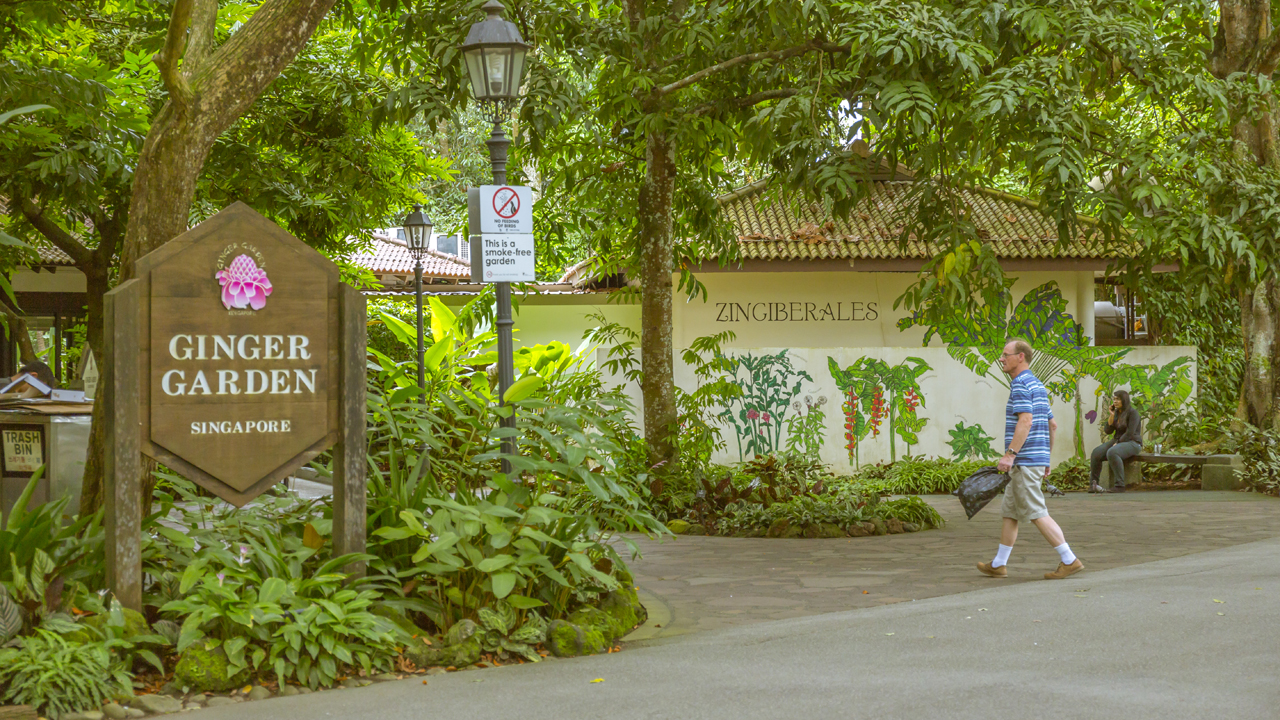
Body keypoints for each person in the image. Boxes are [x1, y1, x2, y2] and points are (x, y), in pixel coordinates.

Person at [977, 339, 1084, 580]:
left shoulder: (1020, 385)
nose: (1001, 359)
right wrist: (1046, 458)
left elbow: (1026, 421)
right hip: (1033, 459)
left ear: (1020, 357)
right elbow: (1052, 425)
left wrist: (1010, 454)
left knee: (1036, 512)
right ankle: (999, 564)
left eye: (1006, 355)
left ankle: (1069, 559)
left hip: (1024, 460)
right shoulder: (1037, 385)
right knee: (1011, 512)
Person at [1088, 390, 1141, 494]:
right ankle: (1093, 485)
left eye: (1118, 399)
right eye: (1114, 399)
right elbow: (1108, 431)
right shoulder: (1116, 413)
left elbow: (1130, 432)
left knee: (1112, 452)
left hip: (1133, 442)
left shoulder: (1133, 413)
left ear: (1124, 400)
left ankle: (1119, 485)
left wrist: (1119, 442)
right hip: (1117, 440)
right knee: (1096, 453)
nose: (1115, 401)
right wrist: (1111, 415)